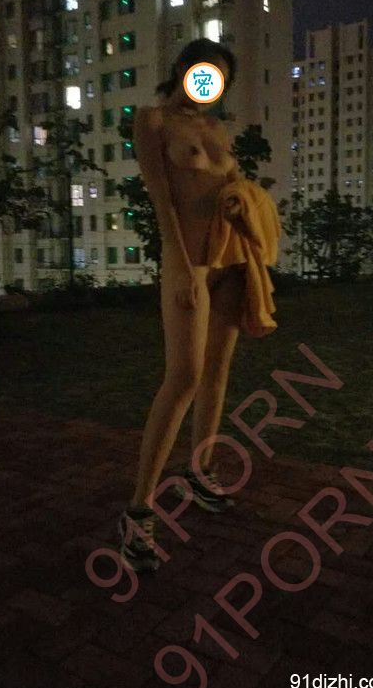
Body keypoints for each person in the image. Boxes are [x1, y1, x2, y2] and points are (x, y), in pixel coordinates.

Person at [118, 38, 279, 573]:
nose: (210, 83)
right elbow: (162, 199)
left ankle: (199, 470)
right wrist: (184, 268)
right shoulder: (153, 121)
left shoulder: (217, 129)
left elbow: (230, 185)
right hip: (188, 262)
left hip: (229, 260)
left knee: (216, 374)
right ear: (184, 69)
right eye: (204, 71)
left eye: (220, 78)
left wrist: (244, 198)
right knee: (183, 376)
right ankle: (139, 509)